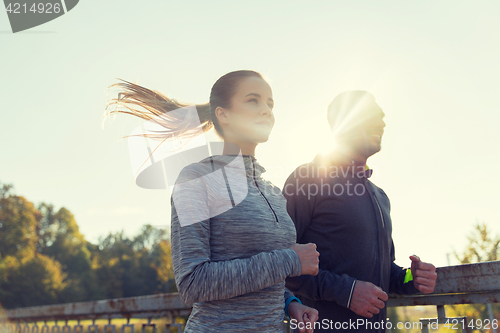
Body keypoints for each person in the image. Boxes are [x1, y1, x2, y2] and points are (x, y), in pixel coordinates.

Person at [108, 70, 320, 333]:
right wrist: (289, 260)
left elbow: (263, 276)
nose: (266, 110)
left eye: (270, 103)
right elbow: (193, 283)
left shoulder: (273, 192)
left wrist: (290, 303)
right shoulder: (196, 179)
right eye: (253, 100)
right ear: (223, 114)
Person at [283, 91, 437, 332]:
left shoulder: (380, 196)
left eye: (382, 116)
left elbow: (385, 274)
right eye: (371, 115)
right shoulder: (308, 178)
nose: (382, 121)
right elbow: (280, 264)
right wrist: (346, 292)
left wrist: (411, 278)